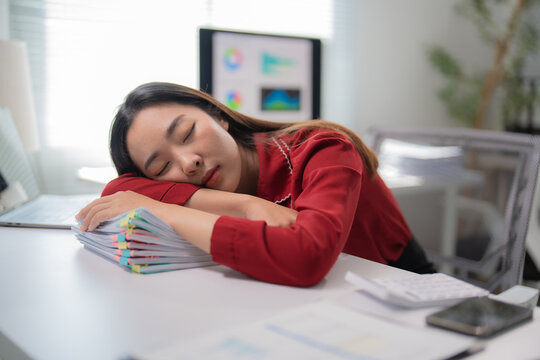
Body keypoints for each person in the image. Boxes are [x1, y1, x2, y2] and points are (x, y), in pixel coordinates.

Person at [77, 82, 434, 286]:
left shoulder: (323, 148)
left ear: (218, 115)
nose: (189, 163)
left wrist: (163, 211)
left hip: (400, 289)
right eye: (163, 165)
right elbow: (117, 191)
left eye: (187, 133)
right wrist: (244, 205)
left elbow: (306, 257)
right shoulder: (217, 184)